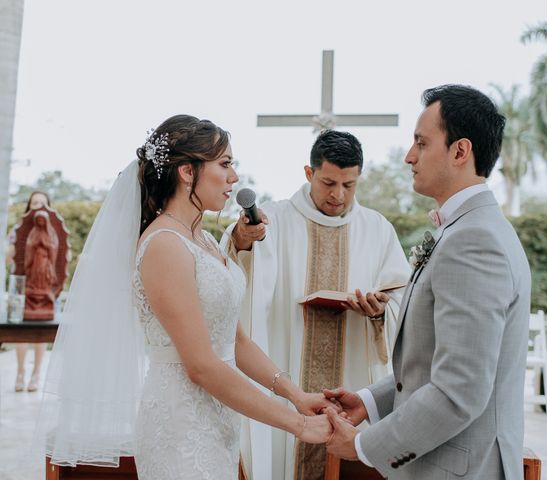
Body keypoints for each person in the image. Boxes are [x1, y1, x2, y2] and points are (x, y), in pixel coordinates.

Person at [38, 115, 337, 480]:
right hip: (180, 426)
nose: (234, 177)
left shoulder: (203, 240)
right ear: (186, 171)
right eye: (225, 164)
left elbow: (236, 340)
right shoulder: (164, 244)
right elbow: (200, 365)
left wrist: (295, 395)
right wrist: (298, 426)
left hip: (217, 418)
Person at [323, 85, 532, 480]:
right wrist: (369, 401)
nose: (409, 156)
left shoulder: (475, 240)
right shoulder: (468, 229)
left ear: (459, 151)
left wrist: (363, 445)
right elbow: (434, 360)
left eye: (421, 142)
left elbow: (459, 390)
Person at [224, 130, 410, 480]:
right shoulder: (274, 220)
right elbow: (235, 273)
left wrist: (381, 310)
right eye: (328, 182)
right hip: (286, 376)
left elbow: (402, 296)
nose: (338, 195)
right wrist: (242, 241)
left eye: (348, 185)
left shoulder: (378, 229)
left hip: (351, 379)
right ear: (309, 173)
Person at [6, 191, 51, 392]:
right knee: (21, 332)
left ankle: (36, 373)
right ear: (29, 206)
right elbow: (9, 260)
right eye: (35, 203)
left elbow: (60, 254)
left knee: (40, 332)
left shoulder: (52, 230)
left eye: (43, 203)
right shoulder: (18, 230)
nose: (39, 206)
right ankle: (21, 371)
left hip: (44, 285)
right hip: (21, 287)